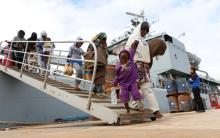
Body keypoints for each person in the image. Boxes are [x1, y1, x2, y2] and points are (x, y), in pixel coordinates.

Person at [126, 21, 163, 118]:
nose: (144, 32)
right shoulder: (133, 39)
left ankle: (155, 110)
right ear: (139, 29)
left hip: (144, 67)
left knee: (146, 88)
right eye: (143, 29)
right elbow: (129, 53)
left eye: (146, 30)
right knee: (137, 87)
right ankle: (136, 106)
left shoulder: (144, 42)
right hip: (136, 65)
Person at [113, 40, 143, 113]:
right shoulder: (118, 65)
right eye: (121, 58)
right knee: (124, 96)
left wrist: (135, 44)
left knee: (136, 93)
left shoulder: (131, 60)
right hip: (123, 83)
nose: (123, 60)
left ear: (128, 58)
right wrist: (115, 81)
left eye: (125, 58)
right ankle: (127, 109)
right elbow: (117, 75)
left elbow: (132, 50)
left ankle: (140, 107)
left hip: (132, 82)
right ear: (119, 58)